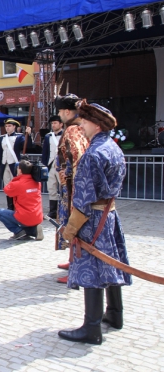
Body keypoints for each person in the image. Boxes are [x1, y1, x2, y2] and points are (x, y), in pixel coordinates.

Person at [57, 100, 131, 346]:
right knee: (110, 262)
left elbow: (83, 198)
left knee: (92, 269)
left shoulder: (93, 154)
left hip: (92, 218)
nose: (81, 126)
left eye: (85, 122)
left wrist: (70, 229)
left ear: (97, 125)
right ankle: (115, 314)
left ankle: (91, 329)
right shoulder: (114, 148)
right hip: (110, 215)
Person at [54, 94, 89, 284]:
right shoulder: (78, 127)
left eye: (60, 111)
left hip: (72, 187)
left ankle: (76, 267)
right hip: (70, 184)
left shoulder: (73, 130)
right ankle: (71, 259)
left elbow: (78, 159)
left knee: (73, 224)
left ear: (67, 111)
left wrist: (66, 175)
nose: (59, 115)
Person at [0, 160, 43, 240]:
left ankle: (18, 231)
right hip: (37, 216)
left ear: (20, 170)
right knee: (26, 224)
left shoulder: (18, 183)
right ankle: (35, 230)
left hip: (24, 216)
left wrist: (15, 178)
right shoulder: (37, 183)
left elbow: (7, 190)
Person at [0, 118, 32, 210]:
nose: (7, 128)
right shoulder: (3, 138)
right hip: (4, 164)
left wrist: (29, 135)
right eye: (6, 126)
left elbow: (28, 146)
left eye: (9, 126)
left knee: (17, 186)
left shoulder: (19, 137)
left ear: (14, 127)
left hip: (15, 165)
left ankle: (17, 206)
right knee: (8, 186)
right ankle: (10, 206)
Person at [41, 115, 64, 218]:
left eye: (55, 123)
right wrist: (44, 165)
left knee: (63, 188)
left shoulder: (65, 135)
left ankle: (64, 210)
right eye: (52, 123)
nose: (53, 125)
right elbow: (45, 152)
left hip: (62, 166)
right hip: (51, 165)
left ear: (61, 124)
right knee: (51, 188)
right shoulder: (48, 136)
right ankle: (53, 211)